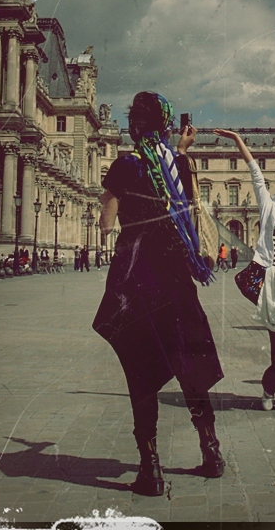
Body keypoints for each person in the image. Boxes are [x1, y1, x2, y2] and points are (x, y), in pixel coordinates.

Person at [93, 91, 224, 497]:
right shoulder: (178, 164)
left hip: (137, 282)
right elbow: (184, 194)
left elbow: (106, 223)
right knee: (190, 365)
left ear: (134, 125)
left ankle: (150, 469)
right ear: (166, 127)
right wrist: (181, 149)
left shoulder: (125, 165)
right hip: (176, 280)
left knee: (142, 373)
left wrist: (112, 208)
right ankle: (211, 451)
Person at [214, 129, 275, 412]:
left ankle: (270, 388)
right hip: (271, 282)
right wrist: (237, 139)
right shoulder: (269, 206)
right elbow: (255, 171)